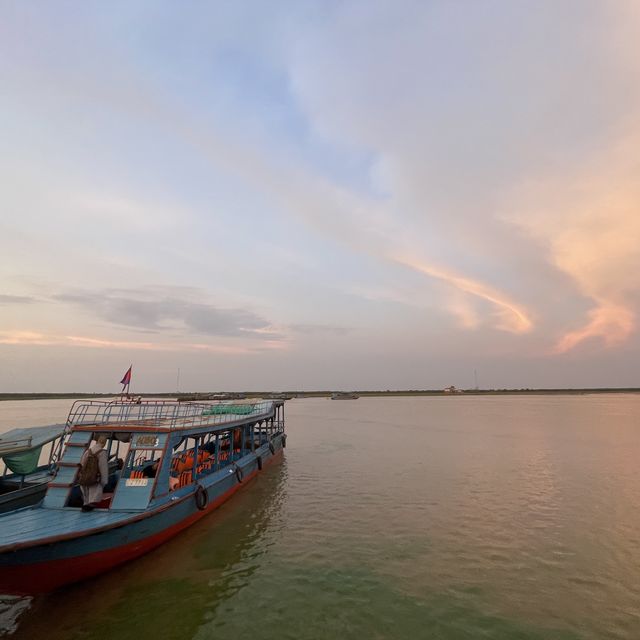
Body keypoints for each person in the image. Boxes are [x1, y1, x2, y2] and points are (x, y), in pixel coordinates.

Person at [78, 434, 109, 512]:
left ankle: (85, 504)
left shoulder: (88, 451)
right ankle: (90, 506)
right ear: (104, 443)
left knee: (86, 495)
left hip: (85, 477)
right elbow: (103, 468)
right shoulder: (101, 452)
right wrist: (104, 481)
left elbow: (82, 464)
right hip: (95, 478)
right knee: (94, 494)